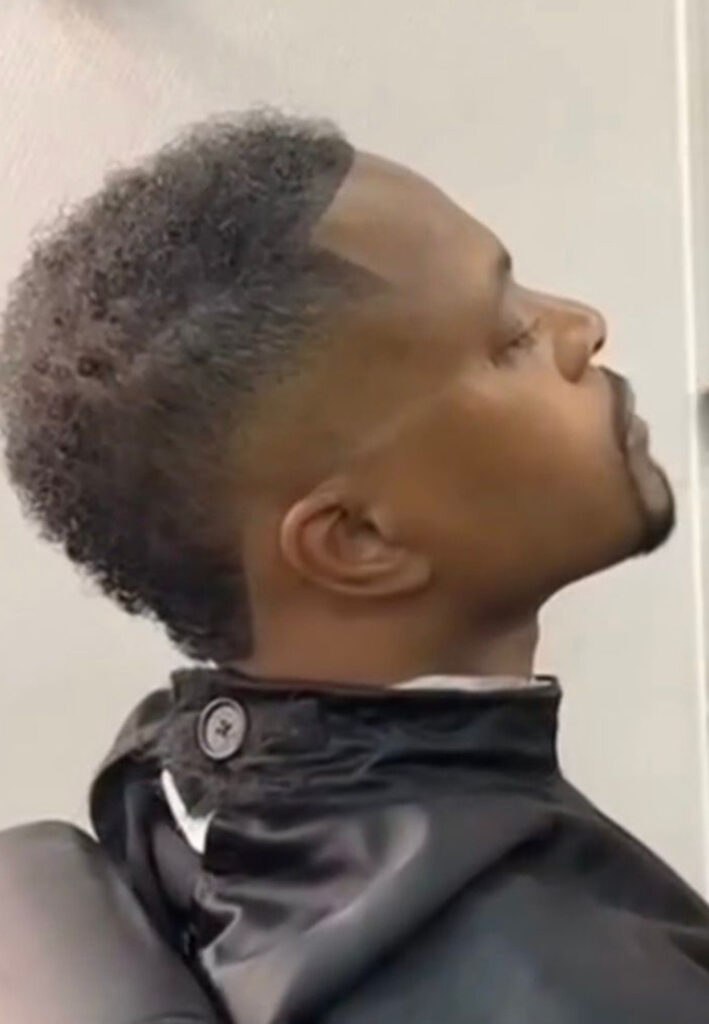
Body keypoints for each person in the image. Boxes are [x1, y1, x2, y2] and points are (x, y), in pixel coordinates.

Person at [1, 109, 706, 1024]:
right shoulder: (590, 991)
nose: (583, 327)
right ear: (359, 540)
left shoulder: (169, 792)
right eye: (508, 340)